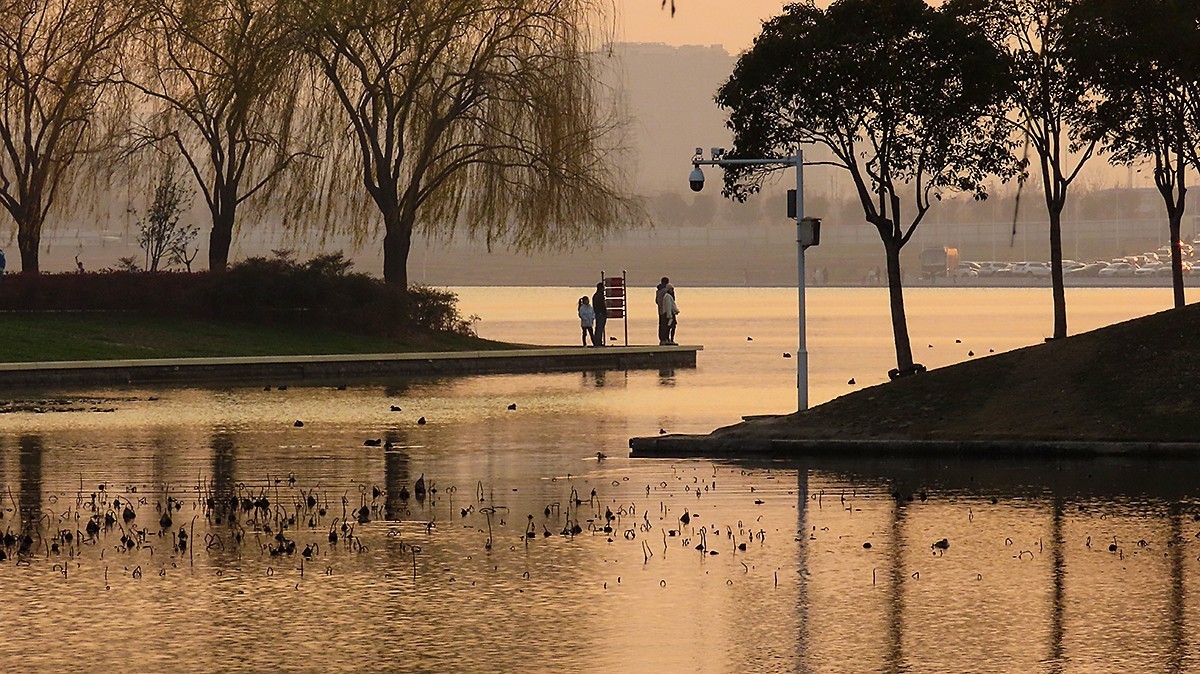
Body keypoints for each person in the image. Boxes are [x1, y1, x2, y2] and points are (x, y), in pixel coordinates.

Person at [655, 277, 670, 345]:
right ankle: (666, 338)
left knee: (661, 324)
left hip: (660, 310)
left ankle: (661, 339)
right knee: (667, 325)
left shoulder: (658, 291)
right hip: (667, 311)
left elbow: (656, 301)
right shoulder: (666, 291)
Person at [592, 282, 607, 347]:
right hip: (600, 314)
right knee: (599, 328)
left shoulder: (596, 295)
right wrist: (602, 312)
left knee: (598, 328)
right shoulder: (599, 296)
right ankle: (598, 342)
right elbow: (601, 305)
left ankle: (598, 341)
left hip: (599, 313)